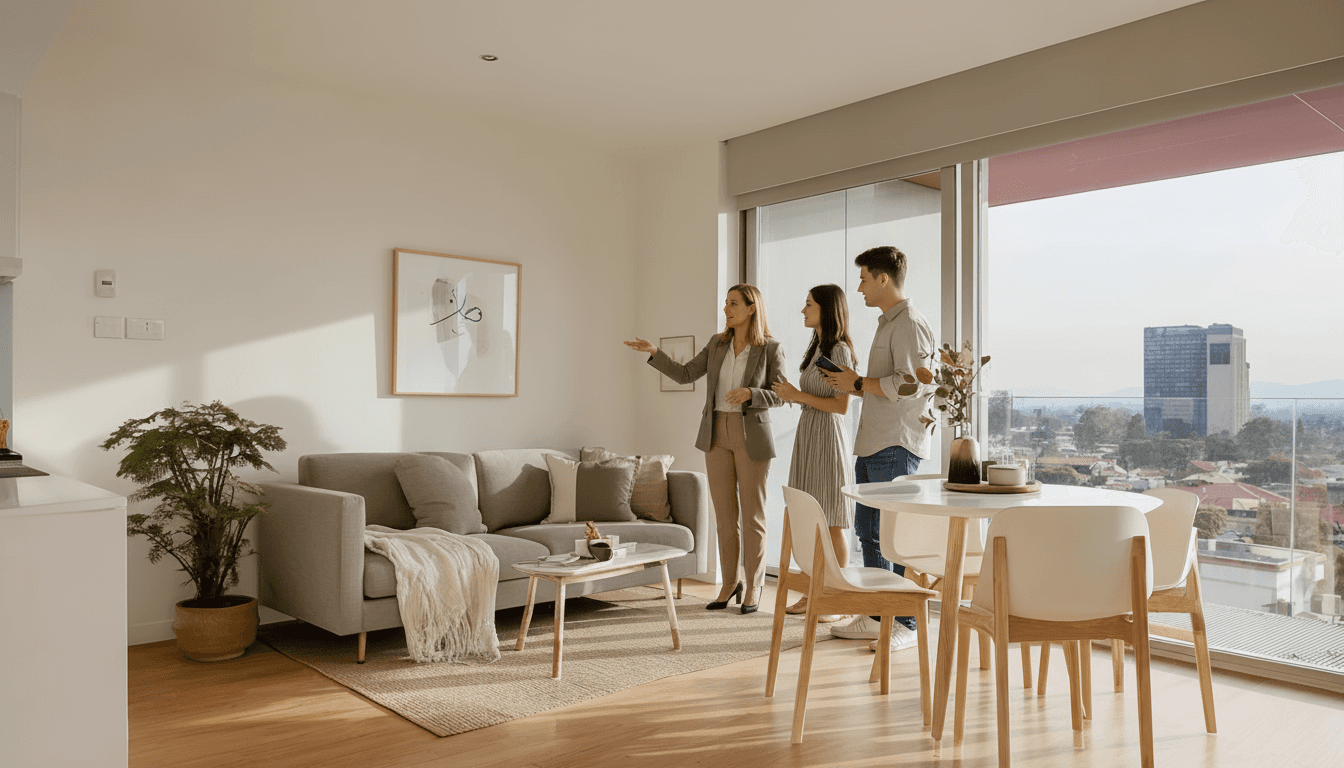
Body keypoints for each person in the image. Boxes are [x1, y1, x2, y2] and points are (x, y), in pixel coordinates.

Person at [624, 284, 786, 614]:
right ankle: (729, 583)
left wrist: (752, 394)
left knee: (753, 516)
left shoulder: (770, 348)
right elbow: (685, 374)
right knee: (726, 518)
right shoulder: (717, 344)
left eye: (733, 303)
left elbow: (781, 394)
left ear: (751, 308)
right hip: (715, 435)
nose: (726, 309)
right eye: (726, 303)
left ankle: (754, 585)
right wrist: (655, 352)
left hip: (750, 434)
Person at [819, 246, 936, 652]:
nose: (860, 287)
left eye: (865, 278)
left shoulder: (910, 324)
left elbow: (914, 383)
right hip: (873, 440)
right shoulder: (887, 324)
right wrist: (857, 383)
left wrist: (858, 383)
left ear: (884, 279)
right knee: (870, 533)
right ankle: (875, 614)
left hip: (895, 443)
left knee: (893, 536)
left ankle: (903, 621)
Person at [770, 284, 856, 623]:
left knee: (832, 520)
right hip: (809, 436)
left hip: (827, 437)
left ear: (826, 309)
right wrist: (791, 395)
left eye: (808, 305)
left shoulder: (839, 351)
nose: (803, 310)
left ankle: (836, 598)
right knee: (810, 517)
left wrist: (797, 394)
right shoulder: (817, 348)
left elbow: (842, 405)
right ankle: (814, 590)